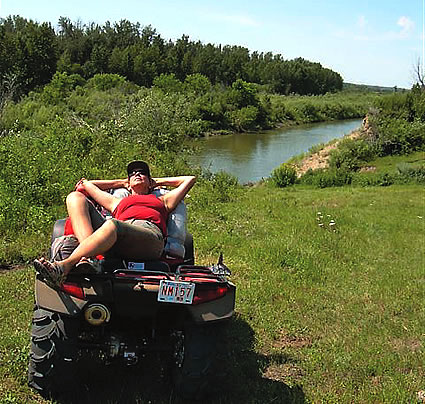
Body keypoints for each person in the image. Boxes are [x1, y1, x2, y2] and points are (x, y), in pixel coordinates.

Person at [34, 160, 196, 289]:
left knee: (113, 225)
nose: (137, 174)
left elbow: (189, 180)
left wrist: (157, 182)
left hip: (149, 239)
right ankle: (87, 259)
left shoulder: (163, 201)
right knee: (74, 197)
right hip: (118, 236)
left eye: (143, 173)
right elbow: (84, 185)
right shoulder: (117, 203)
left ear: (150, 181)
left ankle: (62, 268)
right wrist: (120, 183)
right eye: (133, 174)